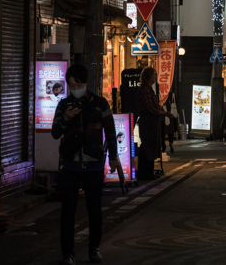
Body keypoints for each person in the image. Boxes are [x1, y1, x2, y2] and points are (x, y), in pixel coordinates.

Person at [51, 64, 123, 265]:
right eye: (71, 84)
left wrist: (113, 157)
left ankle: (94, 248)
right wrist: (65, 118)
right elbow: (55, 132)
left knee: (94, 209)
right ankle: (68, 254)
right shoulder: (64, 105)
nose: (75, 87)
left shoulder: (100, 104)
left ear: (85, 83)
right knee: (68, 211)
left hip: (94, 165)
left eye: (78, 84)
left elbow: (110, 131)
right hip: (70, 165)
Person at [135, 67, 176, 181]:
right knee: (148, 147)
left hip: (151, 122)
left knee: (149, 147)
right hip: (148, 122)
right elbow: (150, 109)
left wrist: (163, 112)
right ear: (148, 76)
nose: (155, 77)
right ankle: (146, 173)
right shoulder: (145, 90)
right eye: (154, 75)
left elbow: (153, 107)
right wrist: (164, 113)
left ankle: (148, 172)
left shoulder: (148, 90)